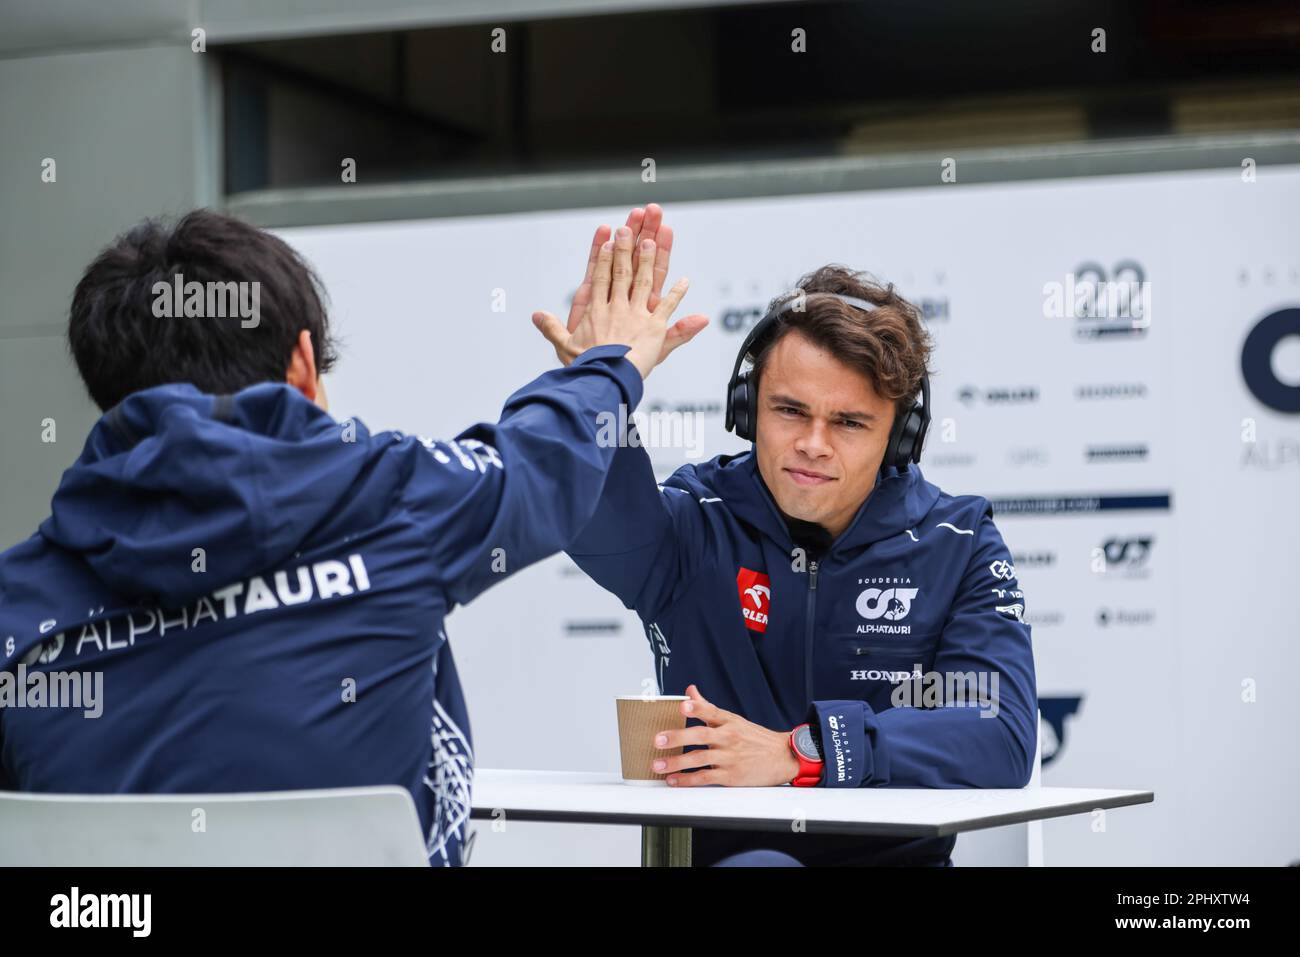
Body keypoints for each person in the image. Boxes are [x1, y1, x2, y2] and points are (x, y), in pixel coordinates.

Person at [0, 206, 699, 866]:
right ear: (303, 364)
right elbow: (541, 462)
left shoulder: (18, 600)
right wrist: (606, 365)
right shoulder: (392, 498)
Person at [535, 223, 1039, 866]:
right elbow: (595, 520)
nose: (813, 445)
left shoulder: (958, 542)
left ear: (900, 436)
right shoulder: (697, 521)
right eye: (790, 411)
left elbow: (1000, 732)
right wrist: (598, 385)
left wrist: (800, 751)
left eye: (849, 422)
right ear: (748, 410)